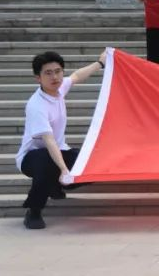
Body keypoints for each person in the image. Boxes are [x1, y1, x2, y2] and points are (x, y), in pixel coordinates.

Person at [17, 48, 109, 229]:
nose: (54, 77)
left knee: (93, 162)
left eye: (58, 71)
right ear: (38, 78)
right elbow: (49, 141)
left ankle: (54, 184)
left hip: (59, 151)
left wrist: (100, 63)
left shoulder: (59, 89)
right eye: (48, 73)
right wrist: (64, 170)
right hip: (32, 157)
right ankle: (34, 211)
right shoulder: (36, 105)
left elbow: (76, 76)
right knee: (46, 162)